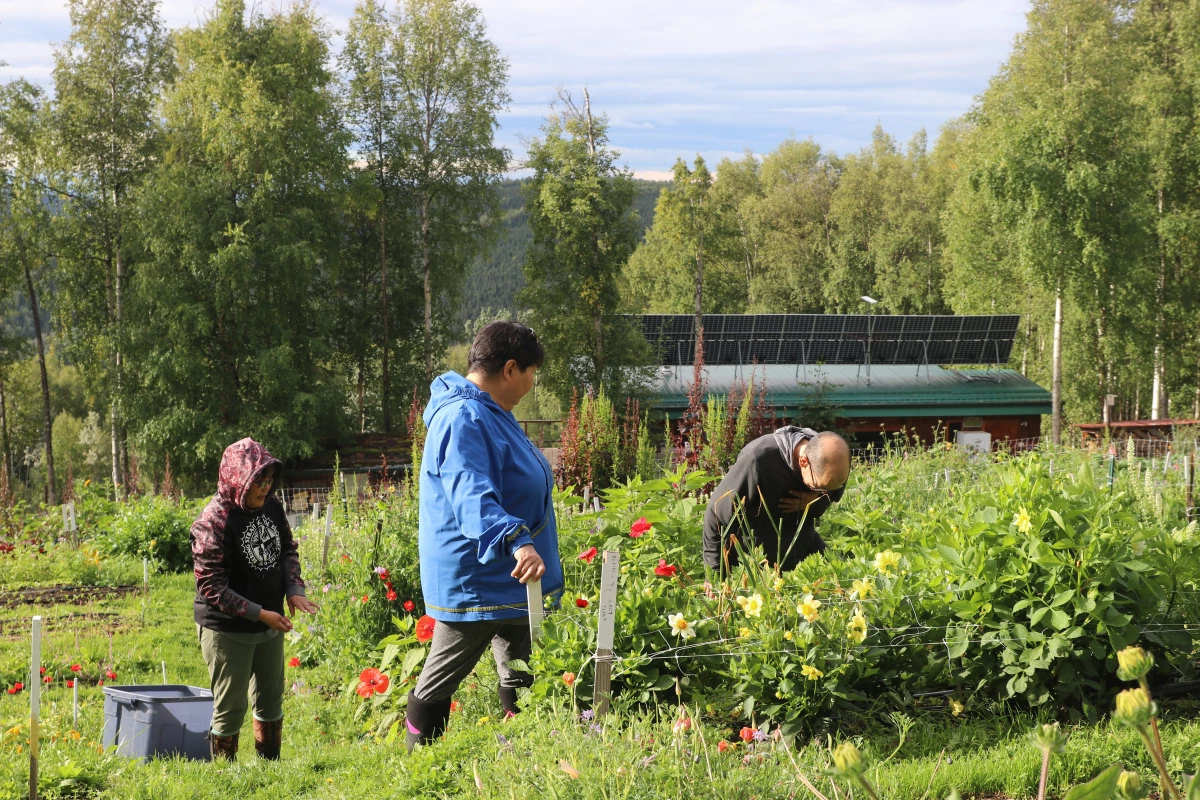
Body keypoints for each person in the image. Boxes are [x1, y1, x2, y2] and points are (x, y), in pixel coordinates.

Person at [404, 321, 563, 751]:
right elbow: (471, 493)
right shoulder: (463, 417)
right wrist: (517, 538)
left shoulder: (491, 412)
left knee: (522, 669)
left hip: (511, 572)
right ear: (510, 369)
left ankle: (521, 755)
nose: (533, 381)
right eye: (532, 371)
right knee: (441, 675)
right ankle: (420, 765)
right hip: (479, 574)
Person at [191, 438, 319, 761]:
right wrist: (259, 613)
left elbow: (287, 549)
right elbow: (211, 585)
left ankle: (269, 770)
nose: (264, 488)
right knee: (231, 705)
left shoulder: (272, 506)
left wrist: (294, 589)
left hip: (269, 621)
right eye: (257, 482)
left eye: (268, 480)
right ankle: (225, 777)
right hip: (227, 628)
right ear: (237, 479)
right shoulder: (214, 520)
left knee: (270, 699)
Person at [702, 426, 851, 573]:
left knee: (844, 577)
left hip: (803, 553)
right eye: (819, 488)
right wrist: (715, 571)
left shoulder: (833, 458)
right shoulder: (758, 460)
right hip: (755, 565)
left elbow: (832, 491)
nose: (825, 493)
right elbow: (716, 514)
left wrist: (817, 497)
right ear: (803, 462)